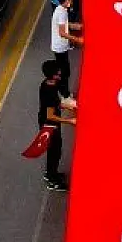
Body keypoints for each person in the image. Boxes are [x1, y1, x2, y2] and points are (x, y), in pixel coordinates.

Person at [38, 59, 76, 191]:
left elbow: (55, 103)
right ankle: (51, 179)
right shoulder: (49, 90)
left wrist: (66, 106)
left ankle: (52, 173)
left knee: (56, 150)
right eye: (57, 74)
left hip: (49, 122)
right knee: (54, 151)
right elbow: (50, 115)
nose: (60, 75)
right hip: (49, 125)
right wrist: (70, 121)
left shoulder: (49, 84)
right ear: (52, 75)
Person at [51, 0, 82, 98]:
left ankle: (64, 92)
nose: (72, 1)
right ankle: (65, 95)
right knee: (64, 73)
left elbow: (63, 25)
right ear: (66, 0)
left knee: (64, 71)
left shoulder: (60, 9)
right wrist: (77, 39)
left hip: (60, 46)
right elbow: (62, 33)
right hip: (60, 47)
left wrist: (74, 26)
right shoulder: (62, 12)